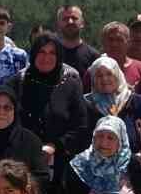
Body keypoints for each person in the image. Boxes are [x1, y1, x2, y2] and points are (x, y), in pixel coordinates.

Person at [12, 33, 92, 171]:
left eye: (52, 53)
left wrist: (55, 146)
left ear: (59, 56)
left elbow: (81, 126)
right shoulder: (18, 83)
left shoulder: (70, 84)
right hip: (21, 161)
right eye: (41, 52)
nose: (46, 58)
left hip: (61, 164)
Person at [82, 56, 141, 162]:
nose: (104, 79)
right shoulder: (86, 104)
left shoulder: (137, 102)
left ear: (117, 75)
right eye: (99, 75)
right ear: (93, 79)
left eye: (109, 74)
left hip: (132, 166)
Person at [100, 22, 141, 107]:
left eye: (119, 40)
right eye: (110, 39)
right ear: (103, 42)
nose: (114, 44)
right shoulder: (95, 69)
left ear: (128, 42)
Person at [54, 4, 99, 75]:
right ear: (58, 24)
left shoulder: (93, 57)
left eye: (74, 18)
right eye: (65, 19)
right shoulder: (52, 54)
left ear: (82, 23)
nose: (70, 22)